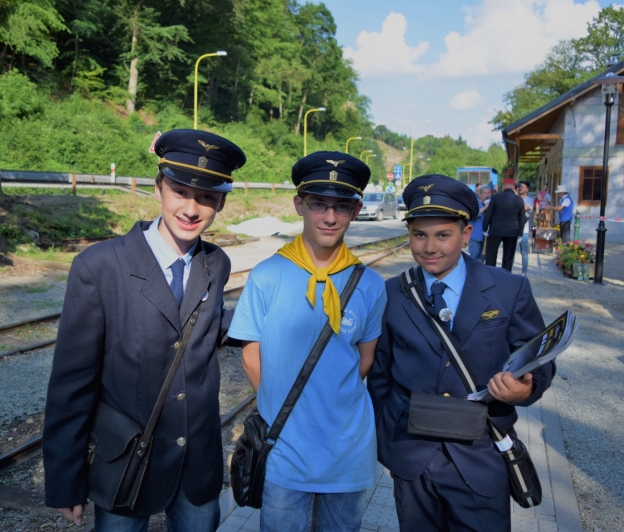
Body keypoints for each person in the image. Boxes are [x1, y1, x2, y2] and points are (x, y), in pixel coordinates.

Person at [43, 129, 246, 531]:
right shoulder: (100, 266)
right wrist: (66, 481)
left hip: (196, 464)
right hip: (126, 460)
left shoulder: (216, 263)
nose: (191, 209)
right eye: (180, 191)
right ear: (157, 189)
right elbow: (72, 381)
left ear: (221, 203)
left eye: (206, 197)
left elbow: (203, 325)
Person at [367, 174, 555, 532]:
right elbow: (380, 375)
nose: (429, 247)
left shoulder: (508, 289)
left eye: (443, 235)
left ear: (466, 234)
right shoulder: (392, 293)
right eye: (419, 235)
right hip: (412, 456)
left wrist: (526, 389)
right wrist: (389, 446)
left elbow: (539, 359)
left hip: (480, 454)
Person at [228, 151, 387, 532]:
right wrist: (284, 408)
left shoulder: (369, 284)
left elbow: (365, 359)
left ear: (356, 210)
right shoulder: (268, 275)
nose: (330, 217)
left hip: (348, 449)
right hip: (284, 447)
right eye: (318, 204)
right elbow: (251, 355)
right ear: (299, 204)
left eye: (342, 206)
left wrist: (328, 401)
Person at [483, 178, 524, 271]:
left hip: (496, 230)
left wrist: (485, 228)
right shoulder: (519, 200)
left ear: (503, 186)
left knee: (491, 256)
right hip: (512, 231)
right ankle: (506, 274)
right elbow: (521, 217)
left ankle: (490, 274)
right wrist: (520, 233)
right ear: (513, 187)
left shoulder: (495, 197)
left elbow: (488, 214)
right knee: (508, 257)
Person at [468, 184, 491, 262]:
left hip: (486, 235)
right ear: (480, 194)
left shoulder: (491, 203)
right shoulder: (475, 203)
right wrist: (485, 207)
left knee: (482, 257)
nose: (487, 195)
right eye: (485, 193)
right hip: (476, 235)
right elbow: (473, 215)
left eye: (488, 193)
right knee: (474, 256)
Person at [517, 181, 535, 275]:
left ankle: (524, 272)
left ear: (527, 189)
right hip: (513, 228)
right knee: (510, 251)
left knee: (524, 252)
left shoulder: (530, 200)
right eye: (519, 186)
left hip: (524, 230)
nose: (520, 188)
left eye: (523, 187)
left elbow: (525, 207)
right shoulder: (515, 198)